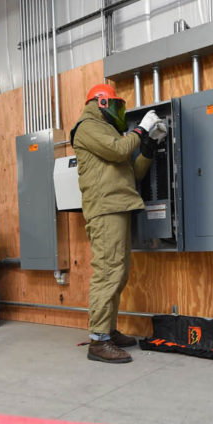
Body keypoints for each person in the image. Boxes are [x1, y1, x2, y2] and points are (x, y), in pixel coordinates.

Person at [70, 83, 167, 363]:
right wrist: (141, 130)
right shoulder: (88, 125)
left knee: (118, 272)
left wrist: (148, 145)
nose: (118, 110)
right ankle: (98, 341)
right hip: (105, 208)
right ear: (101, 103)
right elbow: (118, 151)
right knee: (108, 271)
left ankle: (108, 331)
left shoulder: (109, 131)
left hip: (118, 206)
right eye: (115, 104)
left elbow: (133, 172)